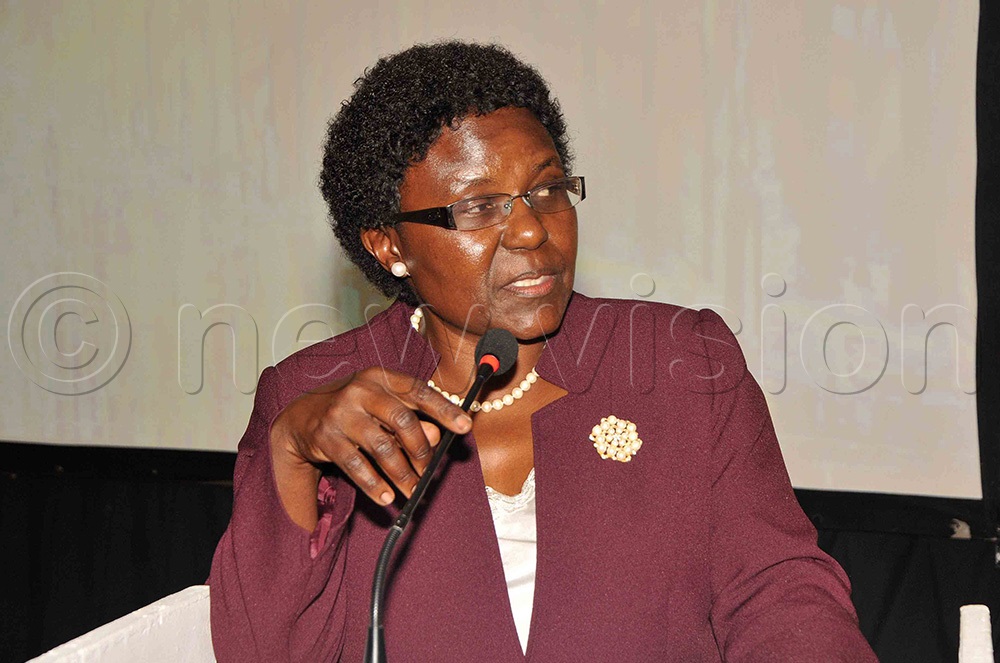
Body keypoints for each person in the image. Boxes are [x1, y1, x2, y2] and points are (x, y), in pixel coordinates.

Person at [209, 41, 878, 662]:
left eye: (548, 190)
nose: (532, 229)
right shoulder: (311, 399)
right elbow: (264, 650)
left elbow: (781, 595)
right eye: (479, 207)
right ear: (389, 245)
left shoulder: (681, 364)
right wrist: (292, 453)